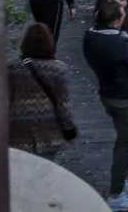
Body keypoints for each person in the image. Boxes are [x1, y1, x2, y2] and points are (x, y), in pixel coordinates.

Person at [83, 0, 128, 210]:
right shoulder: (117, 44)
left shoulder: (91, 36)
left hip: (109, 93)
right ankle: (116, 192)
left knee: (124, 140)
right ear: (115, 21)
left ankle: (120, 182)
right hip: (126, 97)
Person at [8, 23, 77, 160]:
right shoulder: (58, 69)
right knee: (45, 169)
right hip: (48, 127)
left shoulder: (13, 68)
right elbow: (63, 103)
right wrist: (69, 128)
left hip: (19, 125)